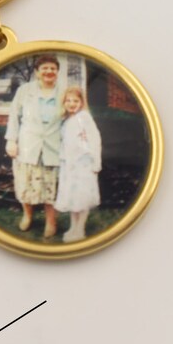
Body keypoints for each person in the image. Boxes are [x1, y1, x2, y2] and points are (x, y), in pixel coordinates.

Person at [5, 55, 62, 238]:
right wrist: (11, 140)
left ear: (57, 72)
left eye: (53, 68)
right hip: (28, 145)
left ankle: (51, 221)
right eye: (44, 68)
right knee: (25, 182)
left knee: (51, 185)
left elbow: (75, 117)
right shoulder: (25, 91)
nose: (49, 71)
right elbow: (14, 116)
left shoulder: (64, 92)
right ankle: (27, 216)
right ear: (37, 72)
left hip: (55, 145)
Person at [54, 86, 102, 242]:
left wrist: (96, 162)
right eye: (68, 101)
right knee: (72, 197)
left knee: (82, 196)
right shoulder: (67, 120)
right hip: (69, 164)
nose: (71, 103)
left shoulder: (84, 117)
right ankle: (73, 227)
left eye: (75, 100)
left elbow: (95, 139)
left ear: (81, 102)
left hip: (83, 163)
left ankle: (80, 229)